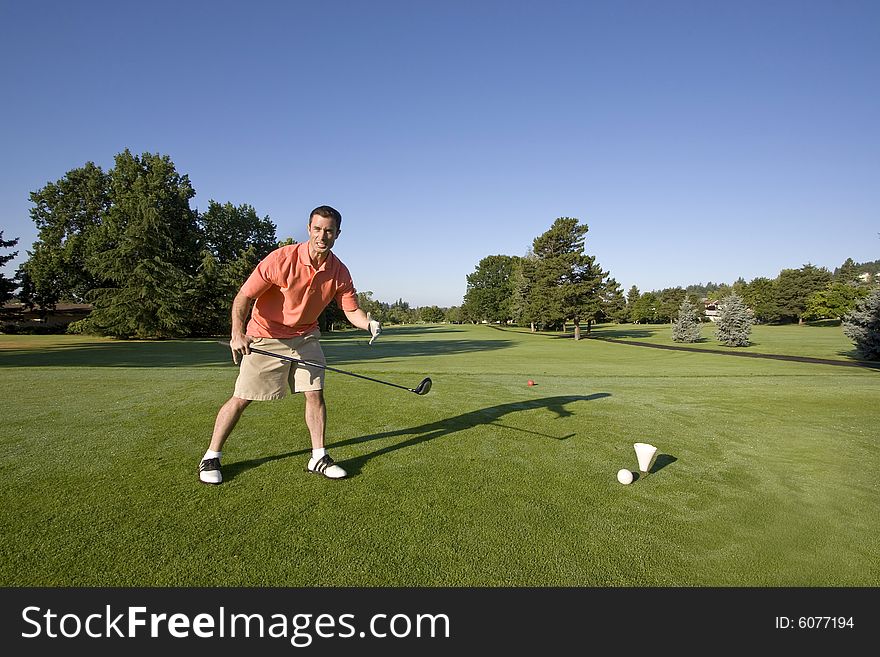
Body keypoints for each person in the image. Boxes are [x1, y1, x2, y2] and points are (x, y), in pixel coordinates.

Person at [198, 205, 380, 484]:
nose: (322, 236)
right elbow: (243, 297)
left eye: (329, 231)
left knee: (315, 393)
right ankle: (211, 455)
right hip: (267, 335)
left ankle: (318, 456)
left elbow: (351, 310)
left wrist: (368, 323)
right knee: (242, 397)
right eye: (317, 229)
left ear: (337, 234)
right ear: (309, 229)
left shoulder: (339, 271)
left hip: (306, 336)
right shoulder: (281, 259)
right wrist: (238, 333)